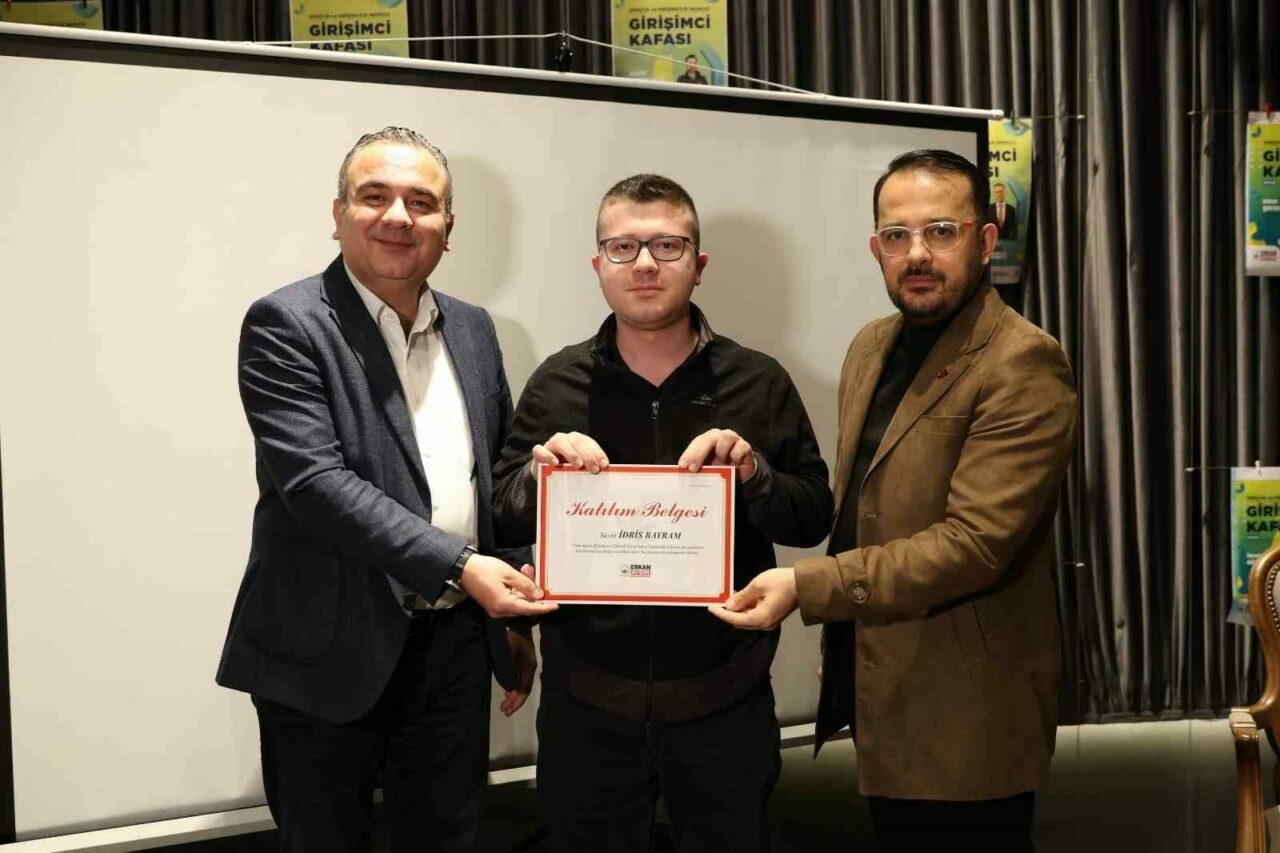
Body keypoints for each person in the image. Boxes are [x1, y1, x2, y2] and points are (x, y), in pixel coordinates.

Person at [713, 150, 1078, 852]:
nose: (917, 254)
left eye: (941, 231)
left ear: (985, 240)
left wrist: (805, 585)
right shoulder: (871, 345)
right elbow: (867, 506)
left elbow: (974, 544)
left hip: (968, 708)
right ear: (875, 247)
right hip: (884, 684)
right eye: (897, 235)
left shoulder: (1022, 361)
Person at [215, 126, 556, 853]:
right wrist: (464, 566)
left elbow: (492, 480)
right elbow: (316, 484)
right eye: (375, 197)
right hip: (324, 653)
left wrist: (512, 614)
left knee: (445, 838)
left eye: (421, 202)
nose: (399, 216)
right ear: (338, 214)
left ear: (448, 228)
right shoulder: (287, 324)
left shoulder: (474, 329)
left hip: (454, 650)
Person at [491, 174, 833, 852]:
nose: (644, 264)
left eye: (667, 246)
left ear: (698, 265)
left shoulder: (759, 380)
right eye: (623, 247)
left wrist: (755, 474)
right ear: (598, 265)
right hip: (587, 704)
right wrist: (537, 476)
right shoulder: (557, 383)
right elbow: (502, 514)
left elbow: (812, 516)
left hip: (725, 700)